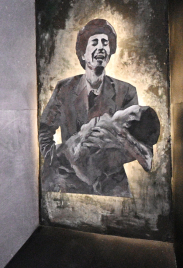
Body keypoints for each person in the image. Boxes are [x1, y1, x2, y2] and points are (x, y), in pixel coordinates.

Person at [39, 18, 139, 196]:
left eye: (105, 43)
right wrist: (57, 159)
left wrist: (102, 163)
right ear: (83, 54)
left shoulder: (127, 92)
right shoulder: (65, 89)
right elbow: (44, 129)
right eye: (95, 42)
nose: (101, 47)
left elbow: (135, 142)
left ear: (110, 53)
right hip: (68, 183)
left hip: (111, 185)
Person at [53, 104, 159, 196]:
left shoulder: (114, 142)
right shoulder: (101, 138)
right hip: (62, 173)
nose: (131, 158)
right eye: (133, 154)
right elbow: (80, 165)